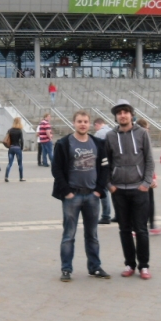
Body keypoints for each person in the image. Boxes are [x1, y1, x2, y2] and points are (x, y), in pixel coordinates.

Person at [52, 110, 111, 282]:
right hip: (73, 196)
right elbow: (56, 169)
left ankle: (94, 267)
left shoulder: (98, 143)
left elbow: (106, 167)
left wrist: (99, 190)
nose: (83, 124)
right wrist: (66, 191)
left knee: (92, 234)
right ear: (74, 123)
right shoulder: (64, 143)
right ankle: (66, 269)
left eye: (85, 121)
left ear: (90, 123)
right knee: (69, 234)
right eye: (79, 121)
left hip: (92, 196)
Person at [105, 99, 155, 280]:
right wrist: (109, 185)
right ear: (116, 117)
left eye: (125, 112)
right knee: (124, 229)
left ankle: (144, 265)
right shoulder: (110, 136)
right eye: (119, 113)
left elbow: (149, 160)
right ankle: (129, 263)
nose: (122, 115)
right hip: (118, 190)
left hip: (139, 189)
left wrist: (146, 183)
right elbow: (106, 163)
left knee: (141, 230)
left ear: (131, 114)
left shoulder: (142, 133)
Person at [137, 119, 161, 235]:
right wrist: (151, 178)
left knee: (149, 202)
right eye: (148, 128)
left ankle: (151, 225)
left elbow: (150, 162)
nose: (149, 130)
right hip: (141, 178)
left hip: (146, 177)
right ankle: (139, 226)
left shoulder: (145, 140)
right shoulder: (140, 141)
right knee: (143, 203)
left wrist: (153, 177)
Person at [93, 117, 113, 223]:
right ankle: (118, 214)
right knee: (114, 190)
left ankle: (106, 216)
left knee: (103, 190)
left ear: (97, 124)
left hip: (103, 165)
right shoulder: (112, 131)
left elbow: (96, 152)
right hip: (114, 165)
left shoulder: (99, 134)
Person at [4, 117, 26, 182]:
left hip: (11, 148)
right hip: (17, 148)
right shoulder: (19, 131)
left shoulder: (10, 130)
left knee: (10, 163)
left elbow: (7, 138)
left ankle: (6, 176)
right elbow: (21, 140)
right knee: (20, 164)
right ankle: (21, 177)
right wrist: (21, 148)